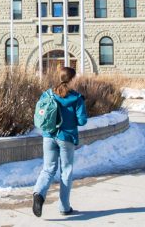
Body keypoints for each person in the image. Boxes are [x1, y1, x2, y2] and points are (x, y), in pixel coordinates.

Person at [32, 66, 88, 217]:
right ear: (72, 80)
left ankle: (39, 193)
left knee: (48, 168)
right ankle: (64, 207)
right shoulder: (76, 98)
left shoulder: (48, 94)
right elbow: (82, 121)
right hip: (66, 137)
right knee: (66, 171)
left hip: (49, 136)